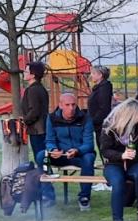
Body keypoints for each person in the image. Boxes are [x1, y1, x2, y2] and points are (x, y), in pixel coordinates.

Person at [99, 99, 138, 221]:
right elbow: (105, 150)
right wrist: (121, 155)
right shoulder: (110, 126)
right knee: (118, 181)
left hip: (134, 163)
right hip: (113, 164)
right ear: (129, 115)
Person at [45, 92, 96, 210]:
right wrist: (52, 149)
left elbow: (89, 144)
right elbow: (49, 140)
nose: (71, 108)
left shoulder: (85, 118)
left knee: (89, 158)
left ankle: (84, 197)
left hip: (79, 155)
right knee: (41, 156)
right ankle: (48, 195)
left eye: (73, 104)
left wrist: (77, 150)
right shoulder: (52, 118)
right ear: (60, 105)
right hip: (60, 155)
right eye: (67, 105)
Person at [22, 61, 52, 203]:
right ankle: (46, 192)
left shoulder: (33, 90)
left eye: (26, 71)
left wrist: (24, 121)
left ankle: (48, 194)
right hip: (41, 129)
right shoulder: (40, 88)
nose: (24, 73)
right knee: (44, 162)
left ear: (33, 74)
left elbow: (34, 111)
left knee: (42, 162)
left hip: (38, 131)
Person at [88, 65, 115, 133]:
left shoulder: (104, 89)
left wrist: (94, 121)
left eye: (93, 73)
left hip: (100, 125)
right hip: (97, 123)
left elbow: (104, 108)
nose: (91, 75)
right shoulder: (98, 88)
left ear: (100, 75)